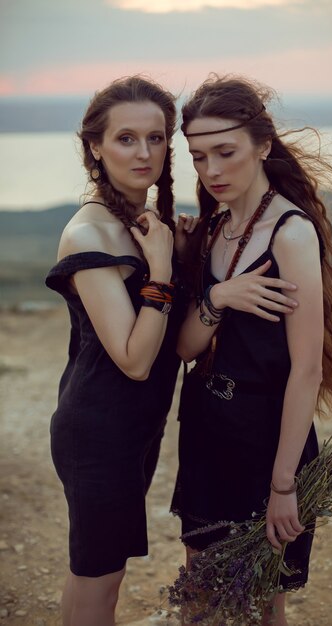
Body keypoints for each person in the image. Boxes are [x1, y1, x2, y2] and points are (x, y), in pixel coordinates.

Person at [171, 75, 332, 626]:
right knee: (197, 595)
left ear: (263, 146)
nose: (211, 170)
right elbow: (188, 346)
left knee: (264, 600)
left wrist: (284, 485)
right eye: (198, 156)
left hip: (266, 438)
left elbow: (306, 368)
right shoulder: (214, 226)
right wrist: (220, 294)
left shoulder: (290, 232)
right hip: (206, 426)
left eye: (225, 152)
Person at [45, 75, 197, 626]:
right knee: (97, 579)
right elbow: (134, 360)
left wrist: (182, 256)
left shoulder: (145, 226)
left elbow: (174, 345)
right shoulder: (89, 234)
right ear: (95, 146)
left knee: (105, 572)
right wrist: (161, 269)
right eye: (126, 138)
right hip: (97, 429)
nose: (144, 152)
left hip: (136, 427)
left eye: (156, 138)